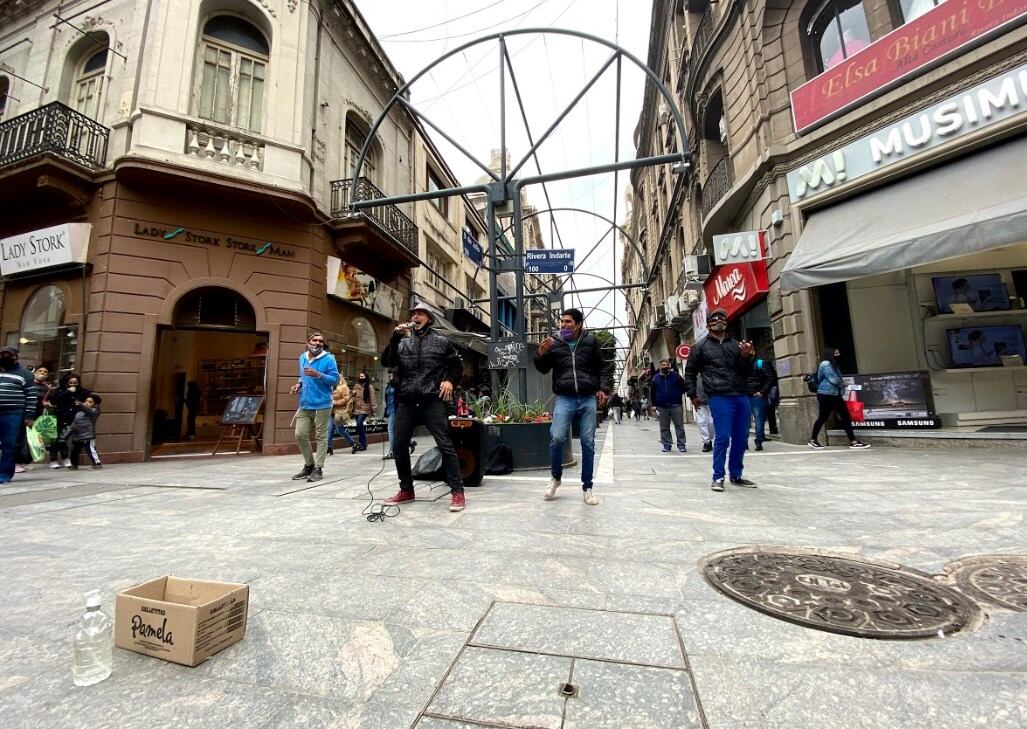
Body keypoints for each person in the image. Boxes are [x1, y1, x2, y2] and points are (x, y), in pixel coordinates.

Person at [381, 301, 467, 512]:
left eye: (420, 313)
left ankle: (457, 492)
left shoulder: (441, 342)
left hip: (432, 401)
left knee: (445, 445)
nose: (416, 317)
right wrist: (394, 338)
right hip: (407, 401)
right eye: (414, 314)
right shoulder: (402, 343)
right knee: (398, 446)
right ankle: (406, 489)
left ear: (429, 318)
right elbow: (387, 362)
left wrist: (449, 381)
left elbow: (457, 365)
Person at [533, 308, 613, 506]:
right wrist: (540, 354)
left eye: (568, 321)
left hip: (587, 397)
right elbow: (543, 369)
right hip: (565, 397)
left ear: (578, 324)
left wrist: (603, 388)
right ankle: (555, 478)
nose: (563, 325)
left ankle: (587, 487)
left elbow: (602, 367)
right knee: (557, 436)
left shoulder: (590, 341)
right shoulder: (554, 343)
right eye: (561, 321)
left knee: (587, 442)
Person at [683, 308, 757, 492]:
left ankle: (736, 475)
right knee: (722, 437)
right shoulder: (700, 347)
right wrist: (693, 395)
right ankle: (718, 476)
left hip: (740, 395)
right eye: (715, 319)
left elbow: (747, 372)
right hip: (719, 396)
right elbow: (690, 372)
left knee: (741, 438)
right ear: (708, 325)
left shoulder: (736, 345)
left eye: (722, 319)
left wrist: (747, 358)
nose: (719, 321)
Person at [289, 332, 340, 483]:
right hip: (304, 403)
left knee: (321, 436)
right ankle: (309, 464)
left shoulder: (329, 359)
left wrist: (318, 374)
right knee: (300, 434)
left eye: (320, 341)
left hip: (322, 404)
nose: (317, 343)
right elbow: (303, 376)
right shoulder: (302, 357)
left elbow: (335, 379)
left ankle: (318, 468)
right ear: (307, 342)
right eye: (314, 340)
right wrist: (298, 385)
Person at [808, 348, 871, 450]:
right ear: (830, 354)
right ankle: (853, 442)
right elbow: (834, 379)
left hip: (832, 394)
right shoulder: (825, 364)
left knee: (834, 416)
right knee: (831, 417)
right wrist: (842, 384)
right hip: (827, 394)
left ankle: (814, 440)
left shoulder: (833, 364)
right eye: (836, 353)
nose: (838, 355)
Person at [0, 346, 37, 485]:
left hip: (13, 414)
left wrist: (29, 416)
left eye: (8, 354)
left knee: (9, 445)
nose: (4, 357)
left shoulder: (25, 374)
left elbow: (32, 396)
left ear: (16, 357)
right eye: (2, 354)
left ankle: (4, 474)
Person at [48, 374, 90, 468]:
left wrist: (81, 403)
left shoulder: (83, 392)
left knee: (62, 439)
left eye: (75, 383)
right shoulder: (60, 390)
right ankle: (53, 459)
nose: (73, 385)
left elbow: (88, 401)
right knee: (55, 439)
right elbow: (54, 401)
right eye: (71, 383)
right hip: (59, 417)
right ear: (66, 382)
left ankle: (66, 458)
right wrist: (67, 392)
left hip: (73, 418)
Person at [652, 359, 687, 453]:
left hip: (676, 405)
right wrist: (654, 404)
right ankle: (667, 445)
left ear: (669, 366)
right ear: (659, 366)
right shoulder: (655, 378)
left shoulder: (676, 376)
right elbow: (653, 392)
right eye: (663, 365)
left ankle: (681, 445)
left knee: (679, 426)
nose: (665, 366)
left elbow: (684, 388)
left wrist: (677, 394)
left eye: (666, 365)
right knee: (664, 427)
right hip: (662, 406)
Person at [747, 354, 778, 451]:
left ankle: (746, 442)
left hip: (749, 395)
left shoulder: (758, 363)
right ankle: (759, 441)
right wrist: (762, 391)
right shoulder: (760, 363)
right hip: (755, 395)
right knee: (759, 419)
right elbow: (771, 377)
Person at [68, 394, 102, 469]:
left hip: (88, 436)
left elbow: (88, 410)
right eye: (86, 401)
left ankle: (97, 463)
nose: (87, 403)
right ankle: (74, 464)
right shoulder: (80, 412)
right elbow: (74, 423)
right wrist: (70, 431)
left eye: (90, 402)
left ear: (94, 404)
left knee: (91, 450)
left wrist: (80, 404)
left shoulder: (94, 411)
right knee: (74, 451)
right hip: (78, 435)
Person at [327, 378, 356, 455]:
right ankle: (329, 447)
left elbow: (346, 399)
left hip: (339, 412)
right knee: (329, 429)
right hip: (331, 411)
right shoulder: (329, 386)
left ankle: (353, 443)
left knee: (340, 430)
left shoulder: (343, 387)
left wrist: (334, 402)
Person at [352, 371, 377, 452]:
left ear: (366, 377)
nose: (361, 378)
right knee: (359, 426)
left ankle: (363, 443)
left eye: (362, 376)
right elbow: (351, 395)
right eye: (360, 376)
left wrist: (374, 410)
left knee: (359, 423)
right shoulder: (356, 386)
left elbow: (373, 399)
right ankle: (362, 443)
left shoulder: (369, 387)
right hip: (356, 409)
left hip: (365, 409)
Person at [693, 372, 715, 452]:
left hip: (711, 401)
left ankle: (712, 439)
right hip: (699, 402)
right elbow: (691, 387)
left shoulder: (712, 374)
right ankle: (706, 442)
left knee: (711, 422)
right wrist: (693, 398)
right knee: (701, 422)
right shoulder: (694, 376)